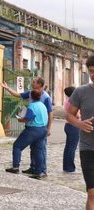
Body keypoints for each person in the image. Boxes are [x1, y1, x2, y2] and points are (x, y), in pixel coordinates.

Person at [2, 77, 53, 177]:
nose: (32, 83)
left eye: (34, 82)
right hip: (42, 128)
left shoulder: (41, 100)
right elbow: (18, 95)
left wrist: (21, 119)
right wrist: (7, 88)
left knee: (18, 146)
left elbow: (30, 117)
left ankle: (16, 167)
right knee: (37, 149)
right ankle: (39, 171)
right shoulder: (41, 104)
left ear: (39, 85)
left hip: (33, 129)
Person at [67, 55, 94, 210]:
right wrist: (80, 123)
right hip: (88, 148)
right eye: (91, 71)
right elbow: (69, 114)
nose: (93, 74)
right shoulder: (81, 91)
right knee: (92, 193)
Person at [64, 85, 80, 173]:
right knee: (72, 148)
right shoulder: (72, 102)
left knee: (68, 147)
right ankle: (70, 167)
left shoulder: (66, 101)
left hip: (68, 125)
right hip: (74, 125)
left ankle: (66, 166)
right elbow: (76, 115)